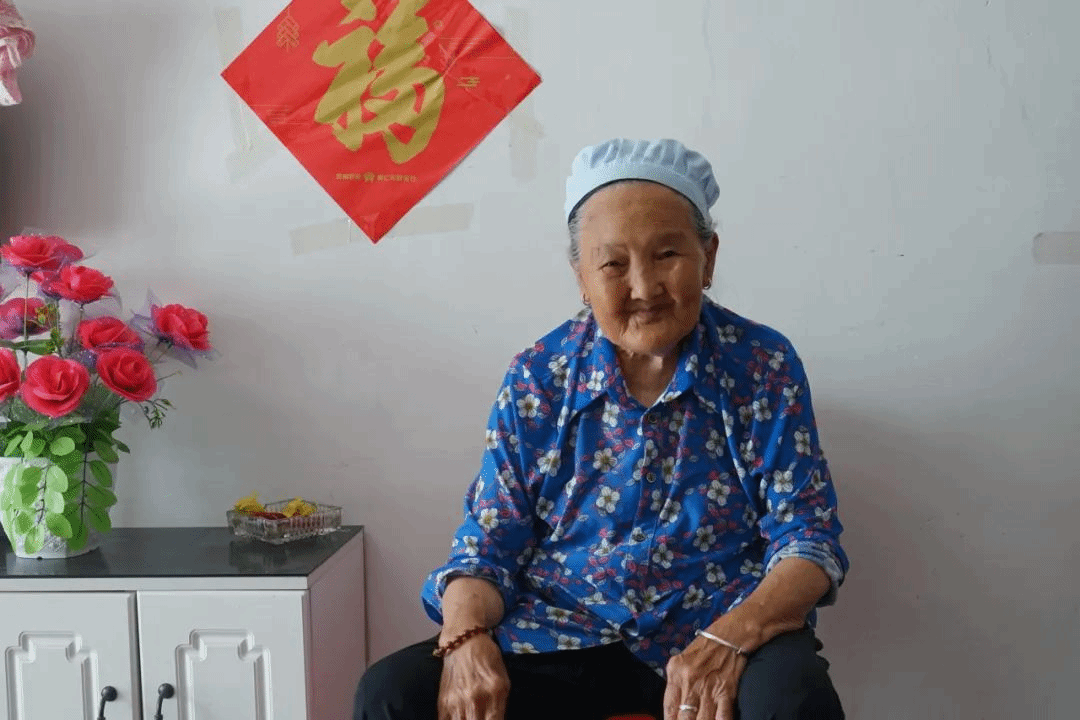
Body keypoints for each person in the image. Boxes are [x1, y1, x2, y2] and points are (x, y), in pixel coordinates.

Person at [355, 138, 849, 720]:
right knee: (392, 694)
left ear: (709, 257)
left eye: (668, 254)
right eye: (613, 264)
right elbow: (489, 543)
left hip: (718, 626)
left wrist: (730, 637)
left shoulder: (761, 365)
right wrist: (464, 639)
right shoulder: (540, 376)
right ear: (581, 277)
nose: (643, 288)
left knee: (794, 701)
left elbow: (807, 537)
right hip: (561, 633)